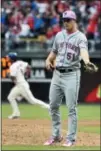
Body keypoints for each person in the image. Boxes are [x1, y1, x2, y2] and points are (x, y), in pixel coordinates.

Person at [44, 10, 95, 147]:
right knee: (53, 106)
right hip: (57, 74)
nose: (65, 22)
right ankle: (56, 136)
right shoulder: (59, 35)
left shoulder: (80, 37)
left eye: (68, 20)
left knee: (71, 108)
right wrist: (48, 60)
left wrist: (86, 61)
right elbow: (53, 52)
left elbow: (84, 52)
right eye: (64, 20)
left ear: (74, 21)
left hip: (72, 75)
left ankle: (70, 139)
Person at [7, 52, 49, 119]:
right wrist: (27, 74)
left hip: (22, 85)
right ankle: (16, 114)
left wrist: (9, 75)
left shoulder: (13, 66)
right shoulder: (20, 62)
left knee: (33, 101)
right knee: (10, 97)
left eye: (8, 57)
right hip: (20, 85)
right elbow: (28, 66)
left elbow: (13, 77)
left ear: (11, 59)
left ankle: (48, 107)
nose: (7, 58)